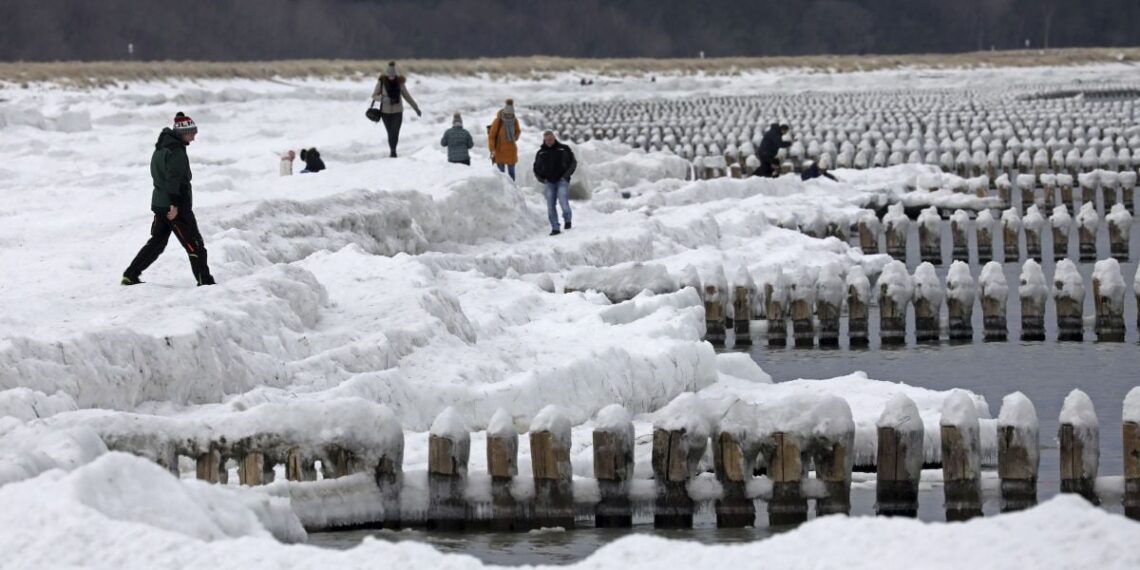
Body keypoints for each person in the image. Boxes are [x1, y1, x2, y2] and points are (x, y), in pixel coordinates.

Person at [122, 112, 215, 287]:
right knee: (195, 244)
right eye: (192, 133)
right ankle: (205, 282)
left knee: (156, 243)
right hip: (175, 207)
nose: (194, 137)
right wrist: (175, 205)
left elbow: (159, 176)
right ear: (183, 133)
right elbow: (173, 180)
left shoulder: (161, 147)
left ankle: (130, 275)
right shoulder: (176, 151)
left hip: (160, 203)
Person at [371, 61, 421, 158]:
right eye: (390, 76)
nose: (391, 77)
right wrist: (384, 99)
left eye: (393, 76)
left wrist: (416, 108)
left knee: (395, 132)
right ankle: (392, 150)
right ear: (386, 75)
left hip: (398, 112)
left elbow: (407, 96)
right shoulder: (381, 82)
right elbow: (374, 96)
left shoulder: (400, 83)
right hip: (385, 112)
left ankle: (393, 151)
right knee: (390, 132)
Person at [533, 130, 577, 236]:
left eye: (551, 139)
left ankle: (567, 219)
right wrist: (542, 179)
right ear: (544, 140)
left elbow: (573, 163)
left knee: (563, 202)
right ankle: (555, 228)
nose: (549, 142)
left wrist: (565, 176)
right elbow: (535, 168)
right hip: (549, 182)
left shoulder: (564, 148)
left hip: (562, 181)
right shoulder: (541, 152)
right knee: (550, 206)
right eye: (547, 140)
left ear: (554, 138)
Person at [488, 98, 521, 180]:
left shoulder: (514, 120)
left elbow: (518, 130)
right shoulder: (498, 121)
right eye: (508, 114)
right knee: (501, 176)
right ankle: (503, 192)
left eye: (511, 114)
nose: (509, 116)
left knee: (512, 175)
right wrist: (492, 149)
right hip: (500, 152)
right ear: (505, 112)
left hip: (511, 151)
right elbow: (491, 136)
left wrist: (516, 136)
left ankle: (513, 191)